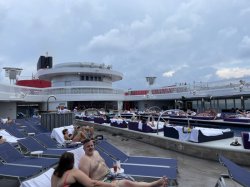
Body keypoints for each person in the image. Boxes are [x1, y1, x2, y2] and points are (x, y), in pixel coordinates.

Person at [79, 139, 168, 187]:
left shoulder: (96, 152)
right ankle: (154, 184)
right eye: (88, 147)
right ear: (83, 148)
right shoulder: (84, 161)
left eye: (92, 145)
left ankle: (152, 185)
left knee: (131, 180)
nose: (91, 147)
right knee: (126, 183)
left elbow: (103, 165)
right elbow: (86, 182)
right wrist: (107, 184)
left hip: (110, 175)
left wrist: (113, 172)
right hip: (102, 181)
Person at [51, 152, 116, 187]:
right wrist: (111, 185)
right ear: (72, 162)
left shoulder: (55, 174)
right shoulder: (73, 172)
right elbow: (93, 184)